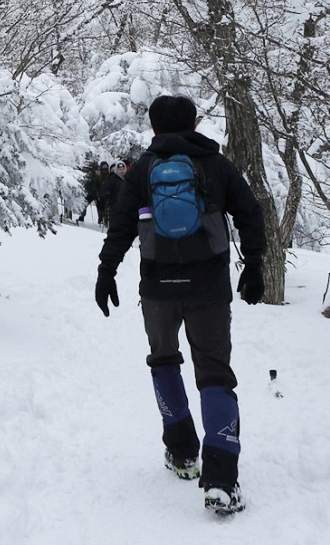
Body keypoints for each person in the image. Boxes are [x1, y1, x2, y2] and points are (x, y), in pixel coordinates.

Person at [94, 94, 266, 516]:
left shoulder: (143, 170)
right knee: (215, 374)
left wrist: (106, 271)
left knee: (164, 361)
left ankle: (183, 452)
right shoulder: (216, 165)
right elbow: (249, 213)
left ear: (154, 128)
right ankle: (222, 481)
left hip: (157, 288)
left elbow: (120, 226)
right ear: (193, 124)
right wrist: (255, 264)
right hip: (208, 286)